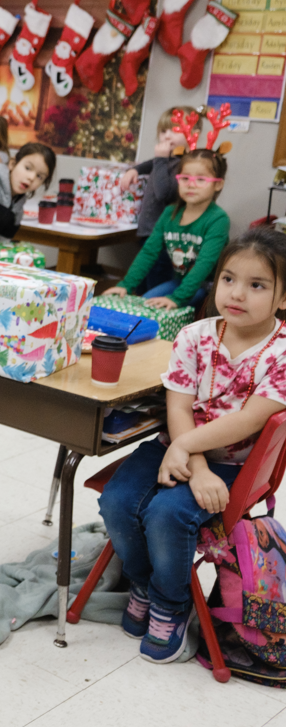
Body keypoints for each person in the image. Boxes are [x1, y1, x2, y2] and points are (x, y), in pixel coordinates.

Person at [98, 229, 286, 663]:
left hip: (238, 463)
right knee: (118, 501)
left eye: (257, 285)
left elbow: (250, 419)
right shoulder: (194, 336)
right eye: (228, 279)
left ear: (282, 298)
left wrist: (192, 456)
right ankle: (144, 582)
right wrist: (193, 462)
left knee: (167, 514)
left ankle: (171, 602)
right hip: (181, 446)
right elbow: (178, 408)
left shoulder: (280, 352)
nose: (237, 293)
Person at [102, 147, 230, 310]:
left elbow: (204, 265)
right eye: (185, 178)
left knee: (161, 308)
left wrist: (177, 298)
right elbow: (149, 252)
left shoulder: (218, 219)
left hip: (211, 287)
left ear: (218, 184)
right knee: (145, 303)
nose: (191, 185)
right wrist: (126, 285)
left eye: (200, 180)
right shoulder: (170, 213)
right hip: (181, 282)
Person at [117, 106, 201, 246]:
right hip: (149, 231)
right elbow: (151, 164)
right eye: (163, 131)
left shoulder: (187, 164)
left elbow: (163, 193)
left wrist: (161, 159)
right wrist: (135, 170)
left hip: (164, 235)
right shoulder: (166, 159)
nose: (167, 136)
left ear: (194, 134)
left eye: (175, 130)